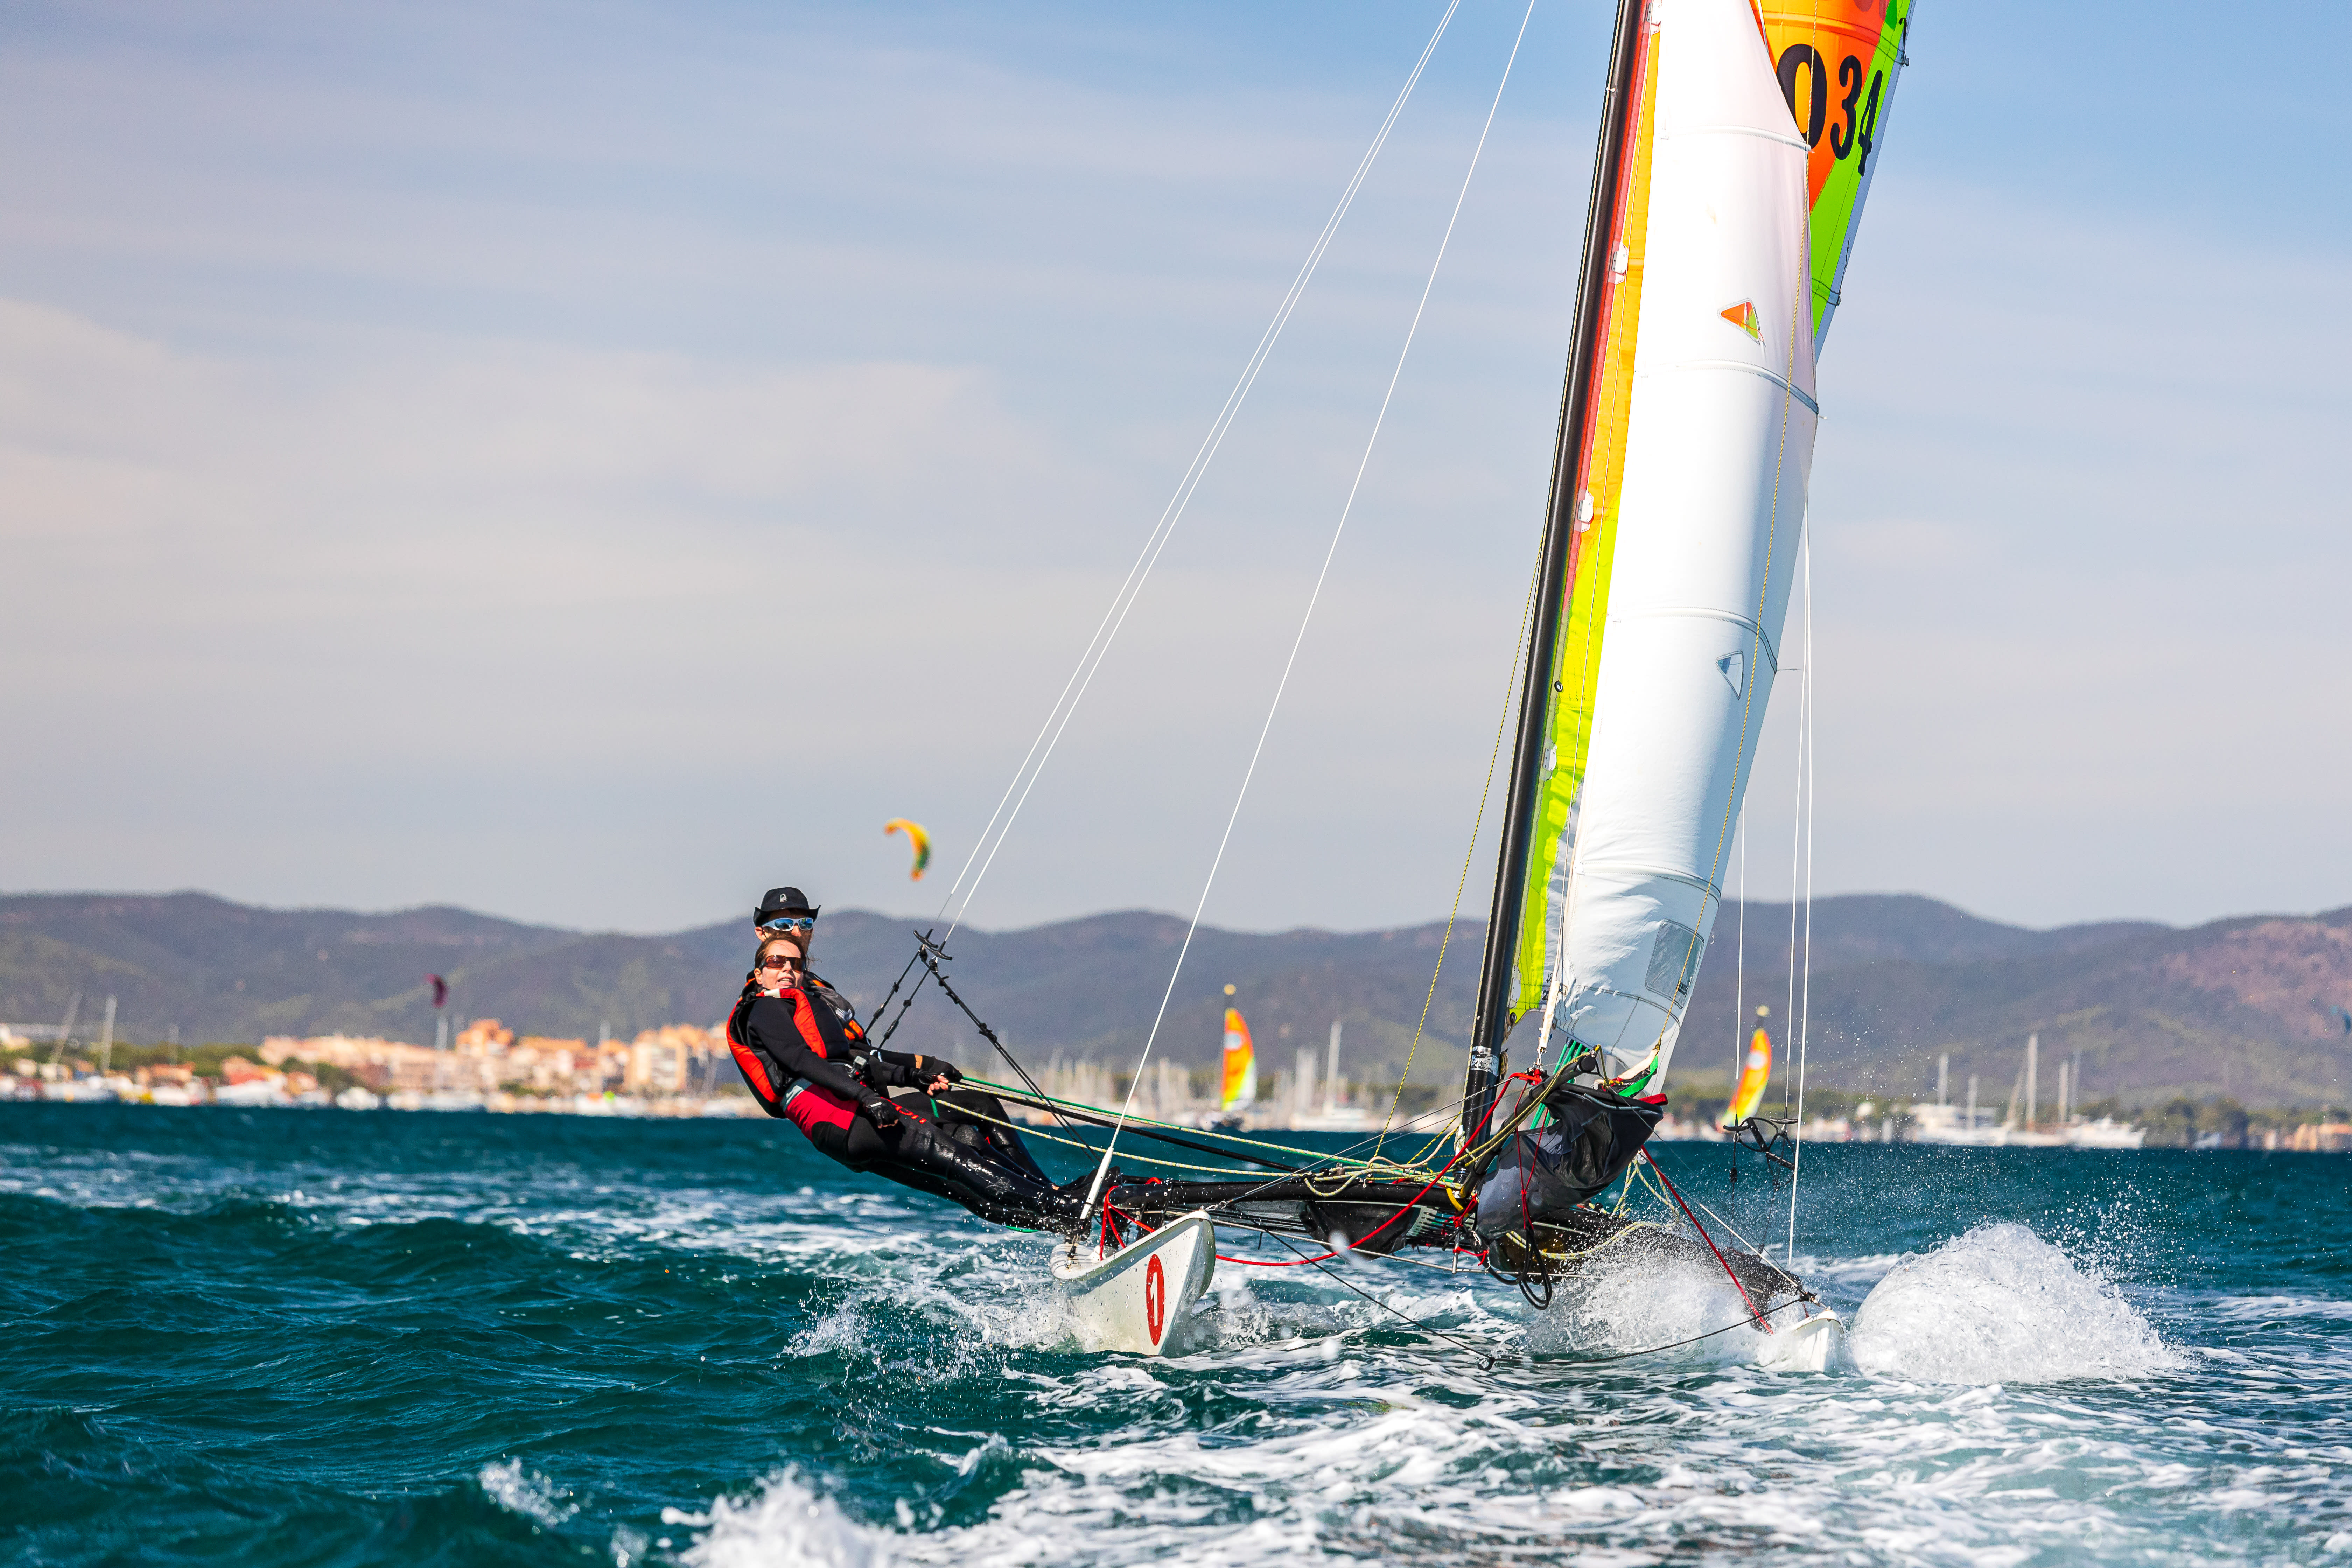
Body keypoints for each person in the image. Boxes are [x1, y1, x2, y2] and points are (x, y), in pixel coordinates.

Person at [728, 895, 1080, 1231]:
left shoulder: (813, 997)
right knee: (956, 1159)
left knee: (972, 1128)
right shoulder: (764, 1006)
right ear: (760, 967)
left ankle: (1056, 1211)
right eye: (777, 959)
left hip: (859, 1104)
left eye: (803, 923)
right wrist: (871, 1098)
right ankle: (1064, 1206)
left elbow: (856, 1056)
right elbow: (801, 1060)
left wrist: (916, 1072)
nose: (794, 933)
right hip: (841, 1116)